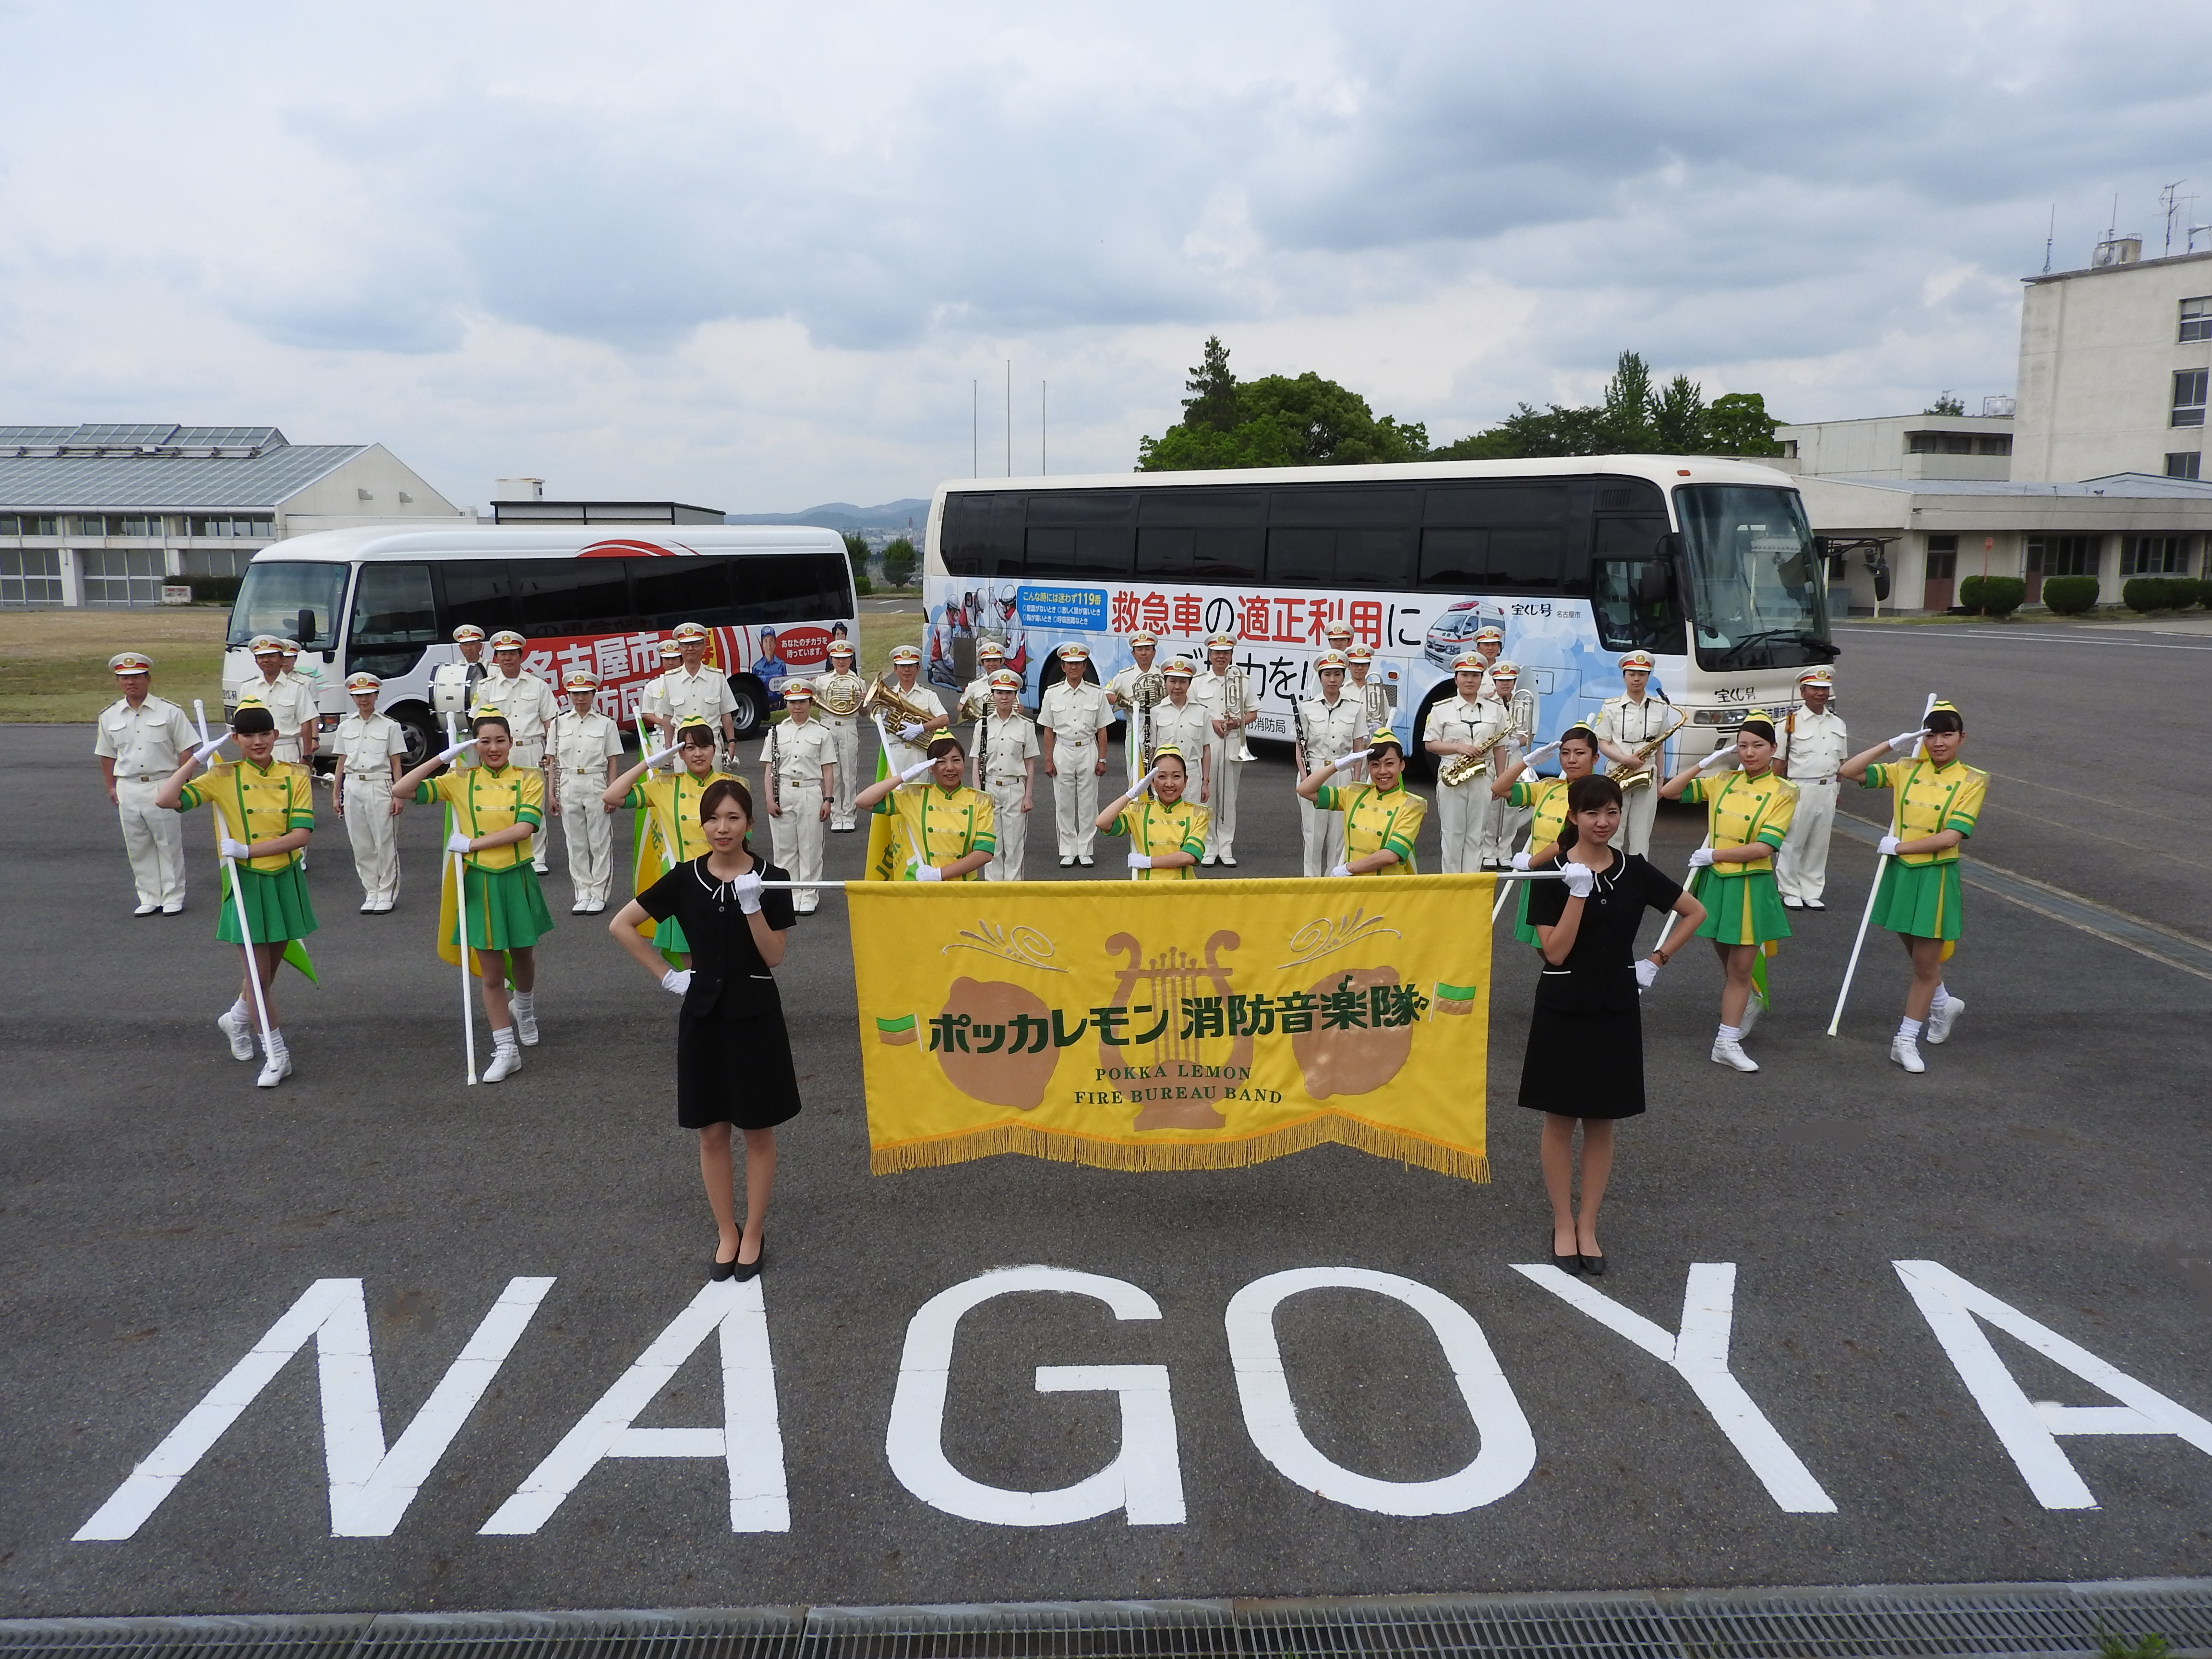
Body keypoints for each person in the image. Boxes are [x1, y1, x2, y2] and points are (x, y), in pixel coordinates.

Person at [609, 777, 798, 1281]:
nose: (722, 828)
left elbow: (775, 956)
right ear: (703, 823)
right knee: (712, 1132)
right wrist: (667, 975)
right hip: (704, 1019)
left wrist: (754, 905)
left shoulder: (772, 877)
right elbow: (622, 924)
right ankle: (726, 1232)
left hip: (755, 1016)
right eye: (714, 818)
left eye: (733, 818)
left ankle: (753, 1231)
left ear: (750, 824)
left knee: (757, 1130)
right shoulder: (685, 876)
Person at [1518, 774, 1707, 1275]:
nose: (1603, 823)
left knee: (1602, 1121)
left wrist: (1657, 959)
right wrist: (1576, 892)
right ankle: (1563, 1221)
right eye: (1592, 814)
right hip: (1563, 1005)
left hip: (1616, 1007)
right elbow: (1554, 952)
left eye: (1612, 813)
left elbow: (1693, 911)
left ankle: (1588, 1223)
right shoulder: (1549, 874)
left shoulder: (1635, 870)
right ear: (1574, 817)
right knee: (1560, 1119)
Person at [155, 698, 317, 1087]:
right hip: (246, 885)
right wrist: (196, 760)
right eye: (249, 735)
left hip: (284, 879)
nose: (258, 742)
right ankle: (278, 1056)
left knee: (267, 975)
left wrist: (248, 849)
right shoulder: (222, 776)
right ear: (236, 739)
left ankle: (236, 1018)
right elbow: (166, 799)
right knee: (258, 979)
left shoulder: (296, 776)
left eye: (265, 734)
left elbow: (301, 835)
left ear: (276, 736)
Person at [392, 710, 553, 1082]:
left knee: (524, 954)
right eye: (485, 741)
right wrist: (443, 758)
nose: (493, 748)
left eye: (500, 740)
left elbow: (525, 828)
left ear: (511, 743)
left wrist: (473, 844)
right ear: (474, 745)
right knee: (492, 971)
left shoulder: (529, 778)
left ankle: (525, 1008)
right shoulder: (459, 779)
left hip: (516, 877)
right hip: (479, 883)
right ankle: (505, 1049)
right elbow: (402, 791)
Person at [1839, 701, 1989, 1074]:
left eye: (1947, 735)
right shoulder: (1906, 768)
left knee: (1924, 966)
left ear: (1961, 738)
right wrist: (1893, 743)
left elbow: (1952, 836)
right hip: (1901, 874)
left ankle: (1905, 1039)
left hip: (1934, 875)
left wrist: (1900, 846)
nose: (1939, 743)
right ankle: (1943, 1003)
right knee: (1918, 953)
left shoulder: (1973, 780)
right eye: (1931, 735)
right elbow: (1848, 771)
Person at [1659, 713, 1797, 1073]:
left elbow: (1764, 848)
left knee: (1739, 968)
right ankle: (1749, 1000)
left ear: (1773, 748)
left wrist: (1714, 854)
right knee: (1729, 963)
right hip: (1718, 884)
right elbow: (1668, 792)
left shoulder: (1785, 792)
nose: (1749, 753)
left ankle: (1726, 1041)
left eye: (1757, 746)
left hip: (1751, 884)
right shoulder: (1722, 780)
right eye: (1742, 746)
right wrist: (1704, 763)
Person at [604, 718, 747, 963]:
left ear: (715, 749)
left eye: (704, 747)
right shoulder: (664, 785)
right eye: (690, 748)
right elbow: (612, 796)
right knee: (690, 961)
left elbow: (745, 842)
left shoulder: (734, 785)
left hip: (725, 879)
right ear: (679, 753)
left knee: (730, 955)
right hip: (684, 882)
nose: (698, 754)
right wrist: (647, 764)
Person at [95, 650, 196, 916]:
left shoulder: (170, 712)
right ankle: (149, 895)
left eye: (137, 677)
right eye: (124, 678)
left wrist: (182, 783)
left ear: (148, 679)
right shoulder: (110, 716)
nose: (131, 683)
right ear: (118, 682)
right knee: (138, 846)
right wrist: (111, 786)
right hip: (128, 786)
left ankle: (173, 895)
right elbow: (106, 754)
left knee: (168, 843)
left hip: (162, 783)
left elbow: (188, 750)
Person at [1492, 723, 1600, 947]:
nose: (1571, 760)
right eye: (1565, 753)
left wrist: (1532, 862)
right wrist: (1525, 762)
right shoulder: (1549, 787)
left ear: (1595, 758)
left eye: (1580, 753)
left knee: (1563, 945)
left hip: (1572, 876)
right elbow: (1499, 788)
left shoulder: (1599, 791)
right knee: (1540, 943)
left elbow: (1569, 841)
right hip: (1541, 876)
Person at [854, 734, 995, 881]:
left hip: (961, 891)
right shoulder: (914, 795)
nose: (950, 768)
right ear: (931, 769)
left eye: (956, 760)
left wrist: (939, 874)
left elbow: (984, 853)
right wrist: (903, 777)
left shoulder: (980, 801)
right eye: (941, 762)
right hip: (919, 886)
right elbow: (863, 801)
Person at [546, 670, 626, 915]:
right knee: (576, 843)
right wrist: (552, 794)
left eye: (585, 693)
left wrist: (612, 792)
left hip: (596, 781)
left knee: (600, 841)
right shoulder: (559, 723)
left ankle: (599, 893)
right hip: (569, 782)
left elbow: (613, 760)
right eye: (575, 694)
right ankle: (582, 893)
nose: (580, 698)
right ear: (569, 695)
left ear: (594, 694)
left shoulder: (606, 723)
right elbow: (552, 761)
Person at [1297, 728, 1429, 876]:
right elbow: (1305, 790)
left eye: (1389, 764)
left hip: (1387, 891)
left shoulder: (1411, 806)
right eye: (1375, 765)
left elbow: (1391, 855)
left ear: (1402, 766)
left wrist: (1348, 869)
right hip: (1354, 888)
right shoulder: (1354, 794)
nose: (1382, 771)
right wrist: (1336, 766)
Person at [1423, 651, 1508, 875]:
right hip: (1452, 772)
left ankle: (1471, 881)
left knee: (1477, 832)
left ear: (1482, 679)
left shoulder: (1495, 709)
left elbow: (1500, 747)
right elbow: (1430, 744)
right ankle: (1451, 884)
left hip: (1483, 774)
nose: (1470, 680)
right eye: (1465, 675)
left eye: (1475, 676)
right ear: (1456, 679)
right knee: (1452, 832)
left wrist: (1501, 779)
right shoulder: (1441, 708)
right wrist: (1459, 748)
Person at [330, 672, 407, 914]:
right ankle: (371, 891)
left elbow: (396, 762)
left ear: (376, 695)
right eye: (358, 695)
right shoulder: (346, 726)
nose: (363, 700)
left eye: (367, 695)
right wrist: (336, 794)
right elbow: (341, 762)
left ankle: (387, 892)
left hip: (380, 783)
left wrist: (398, 794)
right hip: (353, 784)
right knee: (361, 843)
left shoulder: (390, 725)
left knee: (384, 841)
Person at [1774, 666, 1849, 911]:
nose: (1821, 694)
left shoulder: (1838, 724)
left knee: (1819, 843)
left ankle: (1812, 890)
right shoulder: (1789, 724)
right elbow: (1779, 764)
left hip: (1827, 788)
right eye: (1815, 689)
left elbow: (1842, 763)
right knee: (1793, 841)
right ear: (1803, 691)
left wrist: (1838, 790)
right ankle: (1789, 889)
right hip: (1799, 788)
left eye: (1825, 689)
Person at [1594, 649, 1675, 858]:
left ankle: (1639, 878)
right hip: (1617, 771)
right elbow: (1602, 743)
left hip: (1646, 772)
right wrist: (1624, 760)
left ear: (1649, 677)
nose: (1637, 679)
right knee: (1614, 830)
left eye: (1642, 674)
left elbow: (1660, 746)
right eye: (1632, 674)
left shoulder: (1659, 707)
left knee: (1642, 833)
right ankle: (1610, 872)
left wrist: (1660, 780)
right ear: (1624, 676)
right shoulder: (1610, 707)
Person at [760, 684, 833, 914]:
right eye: (793, 702)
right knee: (784, 848)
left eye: (802, 702)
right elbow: (769, 769)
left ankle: (809, 894)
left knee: (810, 846)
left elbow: (828, 770)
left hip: (810, 791)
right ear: (786, 704)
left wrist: (828, 799)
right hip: (784, 791)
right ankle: (789, 893)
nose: (797, 707)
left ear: (811, 703)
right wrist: (770, 799)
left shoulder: (822, 733)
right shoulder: (776, 732)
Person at [1037, 643, 1110, 867]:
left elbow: (1103, 729)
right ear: (1063, 666)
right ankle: (1068, 849)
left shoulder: (1096, 693)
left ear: (1085, 666)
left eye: (1078, 664)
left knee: (1089, 802)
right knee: (1064, 803)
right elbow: (1048, 729)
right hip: (1063, 749)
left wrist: (1103, 759)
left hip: (1088, 748)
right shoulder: (1052, 694)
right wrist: (1048, 759)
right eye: (1070, 664)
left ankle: (1086, 849)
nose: (1074, 668)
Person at [1297, 651, 1367, 877]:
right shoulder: (1307, 708)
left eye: (1338, 674)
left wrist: (1356, 779)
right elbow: (1300, 748)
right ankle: (1311, 881)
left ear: (1343, 677)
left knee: (1338, 834)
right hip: (1315, 770)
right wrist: (1305, 778)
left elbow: (1358, 748)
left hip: (1343, 772)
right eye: (1327, 675)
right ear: (1320, 678)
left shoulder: (1355, 707)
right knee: (1313, 833)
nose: (1333, 680)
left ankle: (1333, 880)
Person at [1095, 745, 1208, 880]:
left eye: (1177, 776)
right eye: (1162, 777)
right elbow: (1102, 823)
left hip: (1182, 892)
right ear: (1152, 782)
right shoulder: (1139, 811)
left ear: (1185, 781)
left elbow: (1188, 857)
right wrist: (1129, 795)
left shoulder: (1198, 814)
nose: (1169, 783)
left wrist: (1147, 862)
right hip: (1147, 891)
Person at [971, 668, 1040, 880]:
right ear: (992, 695)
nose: (1004, 697)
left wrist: (1028, 795)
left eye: (1009, 693)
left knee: (1014, 844)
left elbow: (1029, 764)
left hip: (1014, 789)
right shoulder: (982, 725)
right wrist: (978, 794)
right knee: (992, 843)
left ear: (1015, 696)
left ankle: (1013, 887)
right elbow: (976, 762)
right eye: (999, 692)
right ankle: (993, 887)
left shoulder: (1026, 726)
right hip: (990, 788)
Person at [1194, 634, 1255, 866]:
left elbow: (1253, 712)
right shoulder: (1198, 682)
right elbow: (1192, 710)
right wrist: (1212, 723)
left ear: (1231, 655)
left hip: (1232, 741)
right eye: (1216, 653)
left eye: (1225, 653)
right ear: (1209, 655)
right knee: (1207, 796)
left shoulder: (1242, 680)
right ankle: (1209, 846)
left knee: (1229, 798)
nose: (1221, 657)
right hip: (1208, 744)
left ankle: (1226, 847)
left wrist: (1236, 722)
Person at [641, 622, 741, 762]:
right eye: (685, 645)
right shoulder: (670, 680)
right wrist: (669, 748)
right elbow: (668, 717)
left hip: (712, 747)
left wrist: (731, 741)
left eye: (695, 644)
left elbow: (726, 713)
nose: (690, 649)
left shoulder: (717, 678)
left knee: (714, 784)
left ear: (704, 648)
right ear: (680, 649)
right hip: (682, 749)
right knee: (683, 784)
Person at [1481, 660, 1539, 869]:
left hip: (1513, 756)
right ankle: (1488, 851)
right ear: (1494, 681)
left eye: (1510, 680)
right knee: (1491, 805)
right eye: (1501, 680)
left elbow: (1529, 733)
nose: (1505, 684)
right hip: (1490, 757)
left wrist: (1518, 743)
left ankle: (1505, 850)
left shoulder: (1522, 702)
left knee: (1511, 807)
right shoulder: (1485, 702)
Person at [812, 639, 867, 830]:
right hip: (827, 726)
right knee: (831, 773)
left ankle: (849, 815)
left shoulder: (859, 682)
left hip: (848, 726)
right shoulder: (822, 681)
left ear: (851, 659)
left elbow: (864, 713)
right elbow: (811, 700)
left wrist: (862, 702)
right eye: (837, 658)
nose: (841, 662)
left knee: (850, 773)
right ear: (832, 659)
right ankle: (836, 815)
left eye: (845, 658)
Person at [241, 635, 317, 765]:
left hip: (288, 750)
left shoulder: (297, 687)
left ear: (282, 659)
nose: (266, 661)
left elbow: (306, 723)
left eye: (271, 656)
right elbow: (243, 727)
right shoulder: (248, 688)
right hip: (257, 750)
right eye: (261, 657)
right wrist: (245, 758)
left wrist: (307, 755)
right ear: (256, 662)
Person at [879, 642, 951, 779]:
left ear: (918, 669)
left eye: (911, 666)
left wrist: (921, 728)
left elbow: (944, 719)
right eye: (902, 666)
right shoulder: (888, 694)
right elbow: (878, 720)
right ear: (895, 669)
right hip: (896, 751)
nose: (907, 670)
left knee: (920, 793)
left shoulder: (928, 694)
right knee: (896, 794)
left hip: (919, 753)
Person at [1104, 629, 1164, 790]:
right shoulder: (1125, 676)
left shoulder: (1163, 674)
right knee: (1135, 773)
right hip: (1135, 726)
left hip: (1161, 727)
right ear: (1133, 653)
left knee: (1162, 771)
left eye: (1147, 649)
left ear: (1154, 652)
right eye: (1140, 650)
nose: (1144, 653)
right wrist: (1127, 704)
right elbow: (1106, 692)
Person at [1147, 660, 1214, 803]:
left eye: (1183, 682)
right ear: (1165, 683)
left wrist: (1205, 782)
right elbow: (1151, 749)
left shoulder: (1201, 712)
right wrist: (1148, 780)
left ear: (1189, 684)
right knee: (1164, 819)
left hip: (1192, 775)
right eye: (1173, 681)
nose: (1177, 687)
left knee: (1190, 820)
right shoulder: (1156, 712)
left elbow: (1206, 749)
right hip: (1164, 776)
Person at [959, 638, 1008, 726]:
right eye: (988, 661)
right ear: (982, 663)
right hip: (983, 727)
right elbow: (960, 706)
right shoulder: (974, 685)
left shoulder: (1009, 683)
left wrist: (1019, 710)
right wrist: (977, 716)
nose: (992, 664)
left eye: (995, 660)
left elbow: (1015, 706)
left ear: (1002, 662)